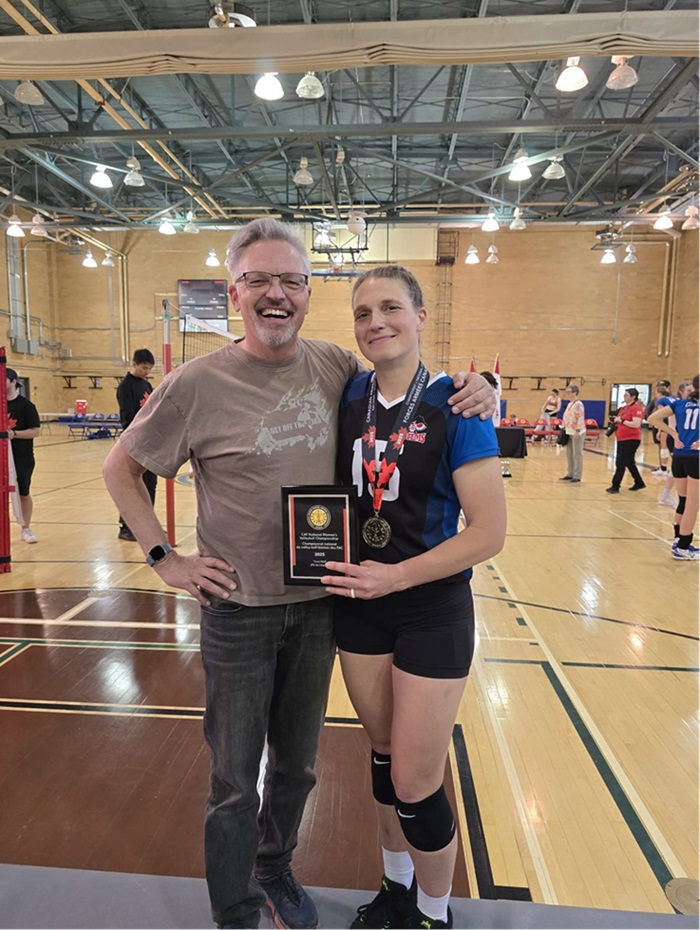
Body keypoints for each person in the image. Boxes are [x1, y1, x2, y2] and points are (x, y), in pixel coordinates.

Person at [102, 218, 496, 930]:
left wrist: (478, 388)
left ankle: (276, 868)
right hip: (238, 608)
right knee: (234, 779)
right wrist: (165, 558)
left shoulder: (335, 369)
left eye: (291, 280)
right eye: (258, 280)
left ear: (309, 294)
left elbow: (406, 379)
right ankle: (236, 908)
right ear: (234, 292)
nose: (275, 293)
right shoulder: (195, 383)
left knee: (297, 769)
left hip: (320, 605)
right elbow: (119, 468)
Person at [321, 265, 507, 930]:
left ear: (421, 316)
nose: (377, 322)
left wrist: (397, 577)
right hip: (358, 606)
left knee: (414, 781)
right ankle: (396, 888)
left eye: (391, 307)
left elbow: (488, 533)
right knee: (381, 760)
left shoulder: (458, 404)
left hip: (431, 608)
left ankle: (434, 913)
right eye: (363, 312)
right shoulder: (348, 394)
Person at [649, 375, 699, 560]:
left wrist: (673, 433)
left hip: (679, 456)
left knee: (684, 501)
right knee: (692, 505)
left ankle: (679, 540)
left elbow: (653, 418)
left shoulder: (679, 404)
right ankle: (683, 546)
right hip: (696, 457)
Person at [116, 348, 156, 540]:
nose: (146, 372)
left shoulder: (146, 385)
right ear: (134, 364)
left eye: (149, 369)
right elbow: (127, 416)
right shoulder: (126, 387)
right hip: (134, 441)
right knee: (133, 486)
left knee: (150, 484)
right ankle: (126, 527)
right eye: (143, 368)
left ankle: (148, 526)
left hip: (150, 441)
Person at [6, 367, 41, 543]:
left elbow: (35, 431)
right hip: (2, 458)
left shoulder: (26, 406)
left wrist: (14, 434)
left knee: (23, 493)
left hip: (22, 457)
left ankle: (26, 528)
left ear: (13, 382)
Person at [658, 380, 694, 507]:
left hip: (689, 441)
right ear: (681, 392)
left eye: (693, 390)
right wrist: (676, 437)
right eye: (688, 391)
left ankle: (667, 495)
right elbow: (672, 425)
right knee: (679, 469)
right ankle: (676, 496)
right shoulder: (677, 405)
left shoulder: (693, 406)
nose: (692, 392)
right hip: (677, 439)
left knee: (678, 469)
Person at [605, 388, 646, 494]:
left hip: (631, 439)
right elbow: (619, 420)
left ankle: (615, 485)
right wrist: (614, 420)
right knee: (629, 462)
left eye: (627, 395)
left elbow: (636, 424)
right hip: (621, 439)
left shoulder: (636, 408)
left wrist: (621, 420)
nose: (624, 396)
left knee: (620, 462)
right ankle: (639, 482)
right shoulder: (624, 408)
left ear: (633, 397)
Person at [647, 380, 675, 476]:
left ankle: (663, 469)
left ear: (658, 393)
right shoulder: (672, 399)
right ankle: (672, 468)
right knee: (671, 447)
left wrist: (659, 430)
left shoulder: (661, 400)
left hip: (666, 423)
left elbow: (661, 416)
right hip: (674, 424)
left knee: (664, 447)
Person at [559, 385, 586, 483]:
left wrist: (578, 431)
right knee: (569, 454)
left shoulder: (578, 404)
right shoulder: (570, 404)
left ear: (575, 392)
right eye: (566, 392)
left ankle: (577, 475)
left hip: (577, 432)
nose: (567, 394)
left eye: (569, 392)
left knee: (577, 454)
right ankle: (570, 473)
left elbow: (580, 418)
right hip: (568, 431)